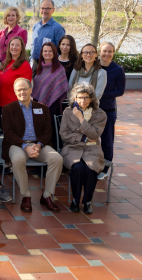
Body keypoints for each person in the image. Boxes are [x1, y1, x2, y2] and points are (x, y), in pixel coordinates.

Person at [2, 78, 63, 213]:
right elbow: (9, 134)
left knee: (57, 159)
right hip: (17, 145)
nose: (22, 92)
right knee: (18, 160)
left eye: (25, 89)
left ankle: (47, 195)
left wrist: (39, 145)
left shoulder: (43, 108)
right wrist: (26, 146)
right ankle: (26, 195)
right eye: (19, 89)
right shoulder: (8, 109)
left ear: (30, 90)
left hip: (38, 144)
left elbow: (48, 132)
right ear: (15, 92)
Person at [59, 84, 107, 214]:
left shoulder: (100, 114)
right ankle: (75, 200)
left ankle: (87, 201)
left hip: (93, 150)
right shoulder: (67, 112)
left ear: (91, 98)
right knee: (78, 168)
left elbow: (95, 135)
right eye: (79, 97)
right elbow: (64, 134)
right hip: (72, 148)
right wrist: (83, 138)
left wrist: (81, 118)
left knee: (91, 169)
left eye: (86, 97)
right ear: (75, 98)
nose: (82, 101)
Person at [32, 42, 69, 149]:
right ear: (42, 53)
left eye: (50, 51)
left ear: (54, 53)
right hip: (37, 105)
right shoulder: (39, 67)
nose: (47, 53)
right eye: (45, 51)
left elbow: (60, 91)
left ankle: (52, 158)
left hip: (52, 107)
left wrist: (48, 110)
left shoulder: (59, 69)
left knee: (50, 132)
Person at [98, 42, 125, 180]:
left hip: (108, 110)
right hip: (91, 110)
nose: (106, 54)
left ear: (113, 53)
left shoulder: (117, 70)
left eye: (110, 51)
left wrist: (101, 94)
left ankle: (104, 169)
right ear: (99, 51)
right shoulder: (93, 66)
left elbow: (120, 91)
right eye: (104, 51)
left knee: (107, 141)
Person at [0, 36, 32, 120]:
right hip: (0, 105)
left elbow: (26, 91)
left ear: (22, 48)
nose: (14, 47)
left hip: (14, 108)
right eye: (12, 45)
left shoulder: (25, 66)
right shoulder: (6, 63)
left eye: (17, 45)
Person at [31, 0, 65, 74]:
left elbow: (61, 50)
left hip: (49, 66)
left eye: (47, 8)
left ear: (53, 10)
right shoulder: (36, 26)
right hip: (34, 64)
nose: (44, 10)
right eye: (42, 8)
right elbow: (33, 45)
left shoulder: (58, 28)